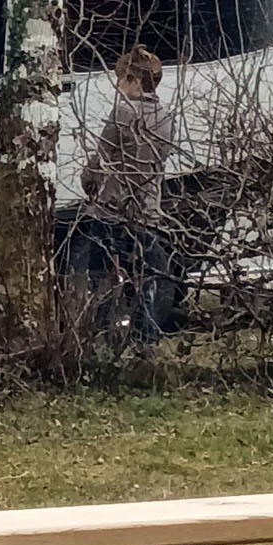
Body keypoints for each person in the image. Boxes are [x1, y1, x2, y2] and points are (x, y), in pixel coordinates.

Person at [69, 44, 178, 344]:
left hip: (112, 210)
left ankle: (103, 336)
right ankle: (145, 336)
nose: (117, 85)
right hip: (148, 211)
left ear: (134, 79)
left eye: (121, 78)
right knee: (149, 276)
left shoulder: (122, 112)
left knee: (101, 275)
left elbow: (102, 159)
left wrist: (88, 183)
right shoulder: (165, 117)